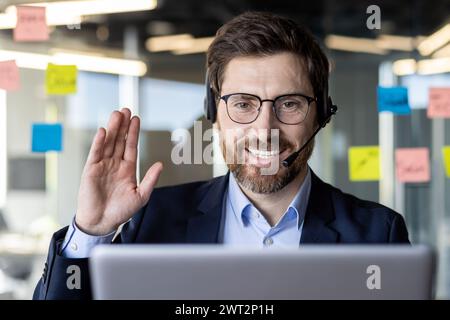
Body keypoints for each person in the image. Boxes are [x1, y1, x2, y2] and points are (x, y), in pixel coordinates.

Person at [33, 11, 409, 300]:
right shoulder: (153, 221)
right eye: (243, 104)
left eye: (290, 104)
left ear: (322, 113)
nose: (264, 130)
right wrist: (90, 231)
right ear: (214, 113)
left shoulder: (378, 235)